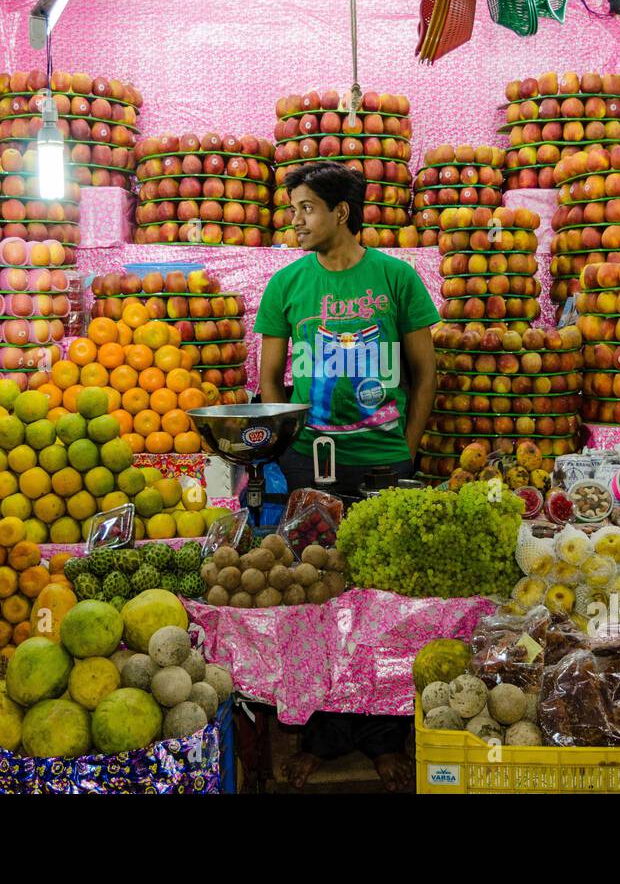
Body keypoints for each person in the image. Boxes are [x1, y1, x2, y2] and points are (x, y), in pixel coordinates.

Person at [254, 161, 438, 791]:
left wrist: (405, 451)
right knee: (314, 603)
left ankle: (386, 737)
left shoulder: (395, 278)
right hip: (308, 464)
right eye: (293, 208)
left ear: (341, 212)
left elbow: (424, 373)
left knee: (384, 605)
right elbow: (270, 382)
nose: (295, 220)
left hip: (382, 463)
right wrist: (286, 454)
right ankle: (321, 737)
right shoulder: (286, 285)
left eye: (306, 208)